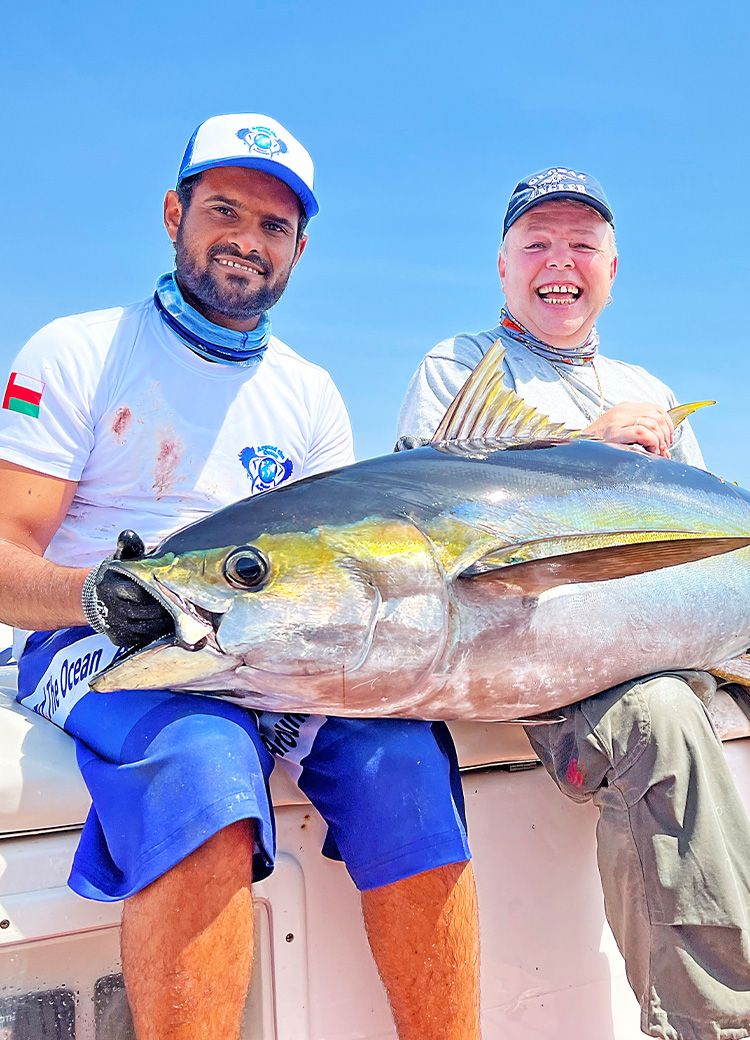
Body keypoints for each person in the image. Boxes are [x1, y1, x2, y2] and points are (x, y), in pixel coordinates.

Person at [0, 114, 480, 1040]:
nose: (245, 242)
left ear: (300, 248)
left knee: (405, 758)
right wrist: (98, 596)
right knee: (203, 761)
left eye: (273, 226)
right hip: (98, 639)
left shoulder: (311, 394)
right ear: (175, 212)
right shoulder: (80, 351)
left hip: (267, 645)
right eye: (224, 210)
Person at [397, 166, 750, 1040]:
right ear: (504, 266)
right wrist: (586, 444)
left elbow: (701, 543)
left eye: (582, 245)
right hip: (547, 658)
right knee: (661, 719)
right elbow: (432, 508)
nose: (561, 261)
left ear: (614, 269)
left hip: (669, 637)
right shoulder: (459, 365)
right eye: (538, 244)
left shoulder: (648, 385)